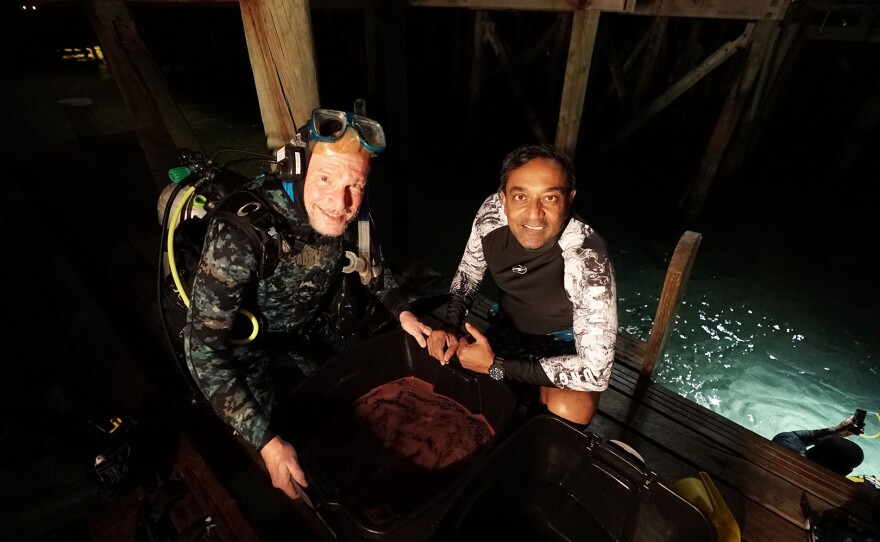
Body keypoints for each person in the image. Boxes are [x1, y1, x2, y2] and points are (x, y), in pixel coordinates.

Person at [184, 108, 432, 501]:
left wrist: (404, 313)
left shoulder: (357, 212)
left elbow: (373, 268)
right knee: (273, 442)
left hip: (309, 322)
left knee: (356, 399)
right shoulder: (241, 233)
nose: (341, 202)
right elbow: (202, 352)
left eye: (356, 184)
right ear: (296, 172)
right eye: (326, 178)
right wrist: (267, 443)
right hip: (247, 342)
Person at [426, 143, 617, 427]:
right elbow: (468, 273)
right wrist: (451, 326)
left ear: (569, 199)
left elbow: (596, 371)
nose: (533, 214)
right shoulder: (491, 216)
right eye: (520, 196)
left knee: (568, 409)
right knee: (451, 383)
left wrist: (495, 367)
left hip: (565, 345)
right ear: (503, 198)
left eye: (550, 198)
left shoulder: (587, 255)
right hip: (510, 330)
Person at [772, 415, 865, 475]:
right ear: (846, 472)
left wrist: (835, 431)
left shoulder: (782, 443)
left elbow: (793, 436)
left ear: (817, 443)